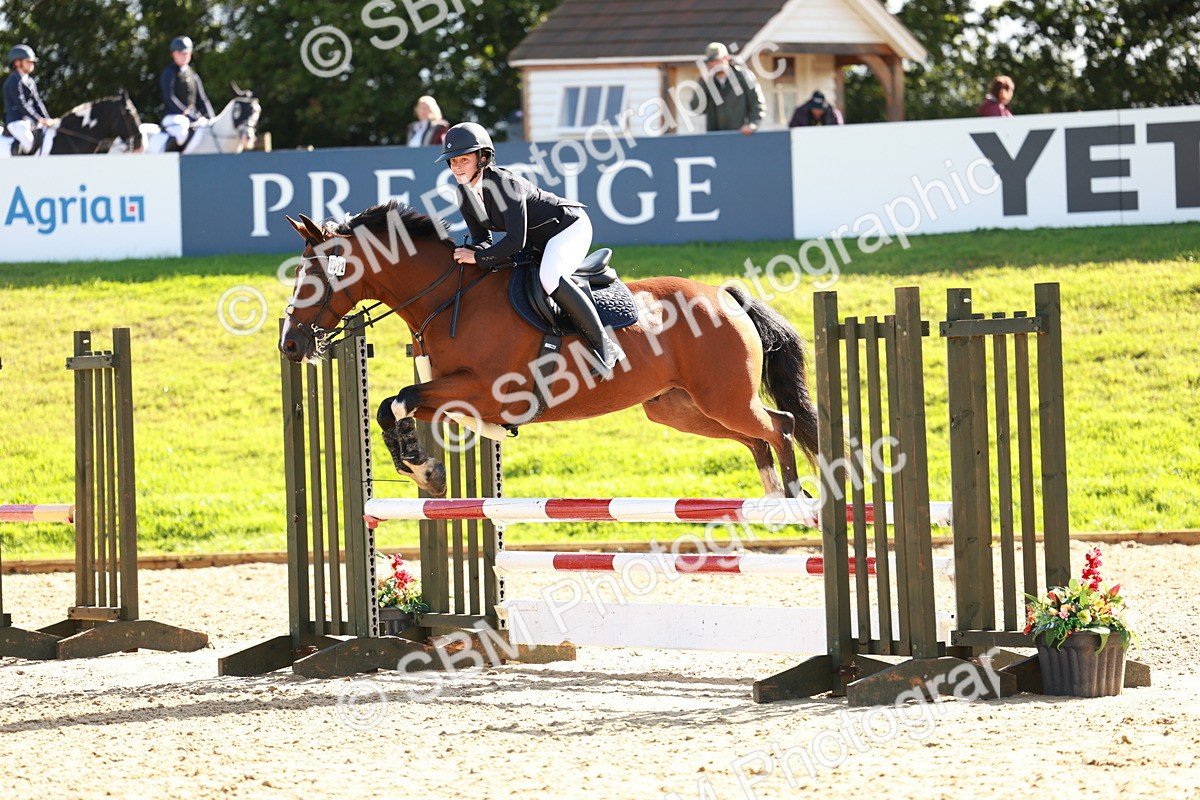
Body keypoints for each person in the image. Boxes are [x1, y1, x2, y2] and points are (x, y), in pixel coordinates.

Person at [435, 122, 623, 378]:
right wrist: (465, 254)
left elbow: (514, 241)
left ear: (483, 158)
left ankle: (606, 346)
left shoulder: (506, 184)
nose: (456, 166)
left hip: (568, 228)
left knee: (550, 278)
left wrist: (478, 257)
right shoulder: (464, 194)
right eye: (453, 161)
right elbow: (483, 238)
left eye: (463, 160)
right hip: (537, 239)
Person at [160, 35, 215, 150]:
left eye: (186, 53)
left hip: (192, 116)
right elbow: (169, 97)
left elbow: (203, 99)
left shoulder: (194, 75)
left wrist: (212, 118)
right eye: (180, 53)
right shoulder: (169, 73)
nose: (184, 56)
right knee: (182, 130)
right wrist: (184, 112)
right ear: (173, 54)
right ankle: (171, 155)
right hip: (173, 116)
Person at [698, 42, 765, 135]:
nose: (714, 64)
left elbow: (757, 103)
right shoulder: (708, 82)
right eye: (711, 61)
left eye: (717, 60)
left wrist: (752, 124)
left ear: (726, 58)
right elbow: (696, 108)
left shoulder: (743, 77)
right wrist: (703, 82)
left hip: (740, 135)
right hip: (716, 137)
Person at [3, 44, 53, 155]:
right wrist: (38, 119)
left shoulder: (30, 81)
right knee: (29, 143)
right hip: (17, 122)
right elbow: (22, 104)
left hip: (30, 120)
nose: (32, 64)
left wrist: (47, 119)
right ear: (17, 63)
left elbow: (37, 102)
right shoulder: (12, 82)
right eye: (28, 61)